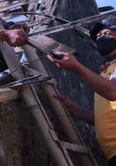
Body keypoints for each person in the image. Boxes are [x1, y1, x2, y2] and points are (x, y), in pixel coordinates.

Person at [48, 16, 116, 164]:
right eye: (98, 37)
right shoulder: (105, 73)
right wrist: (74, 109)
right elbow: (103, 118)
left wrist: (77, 67)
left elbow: (113, 92)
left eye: (106, 34)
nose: (100, 38)